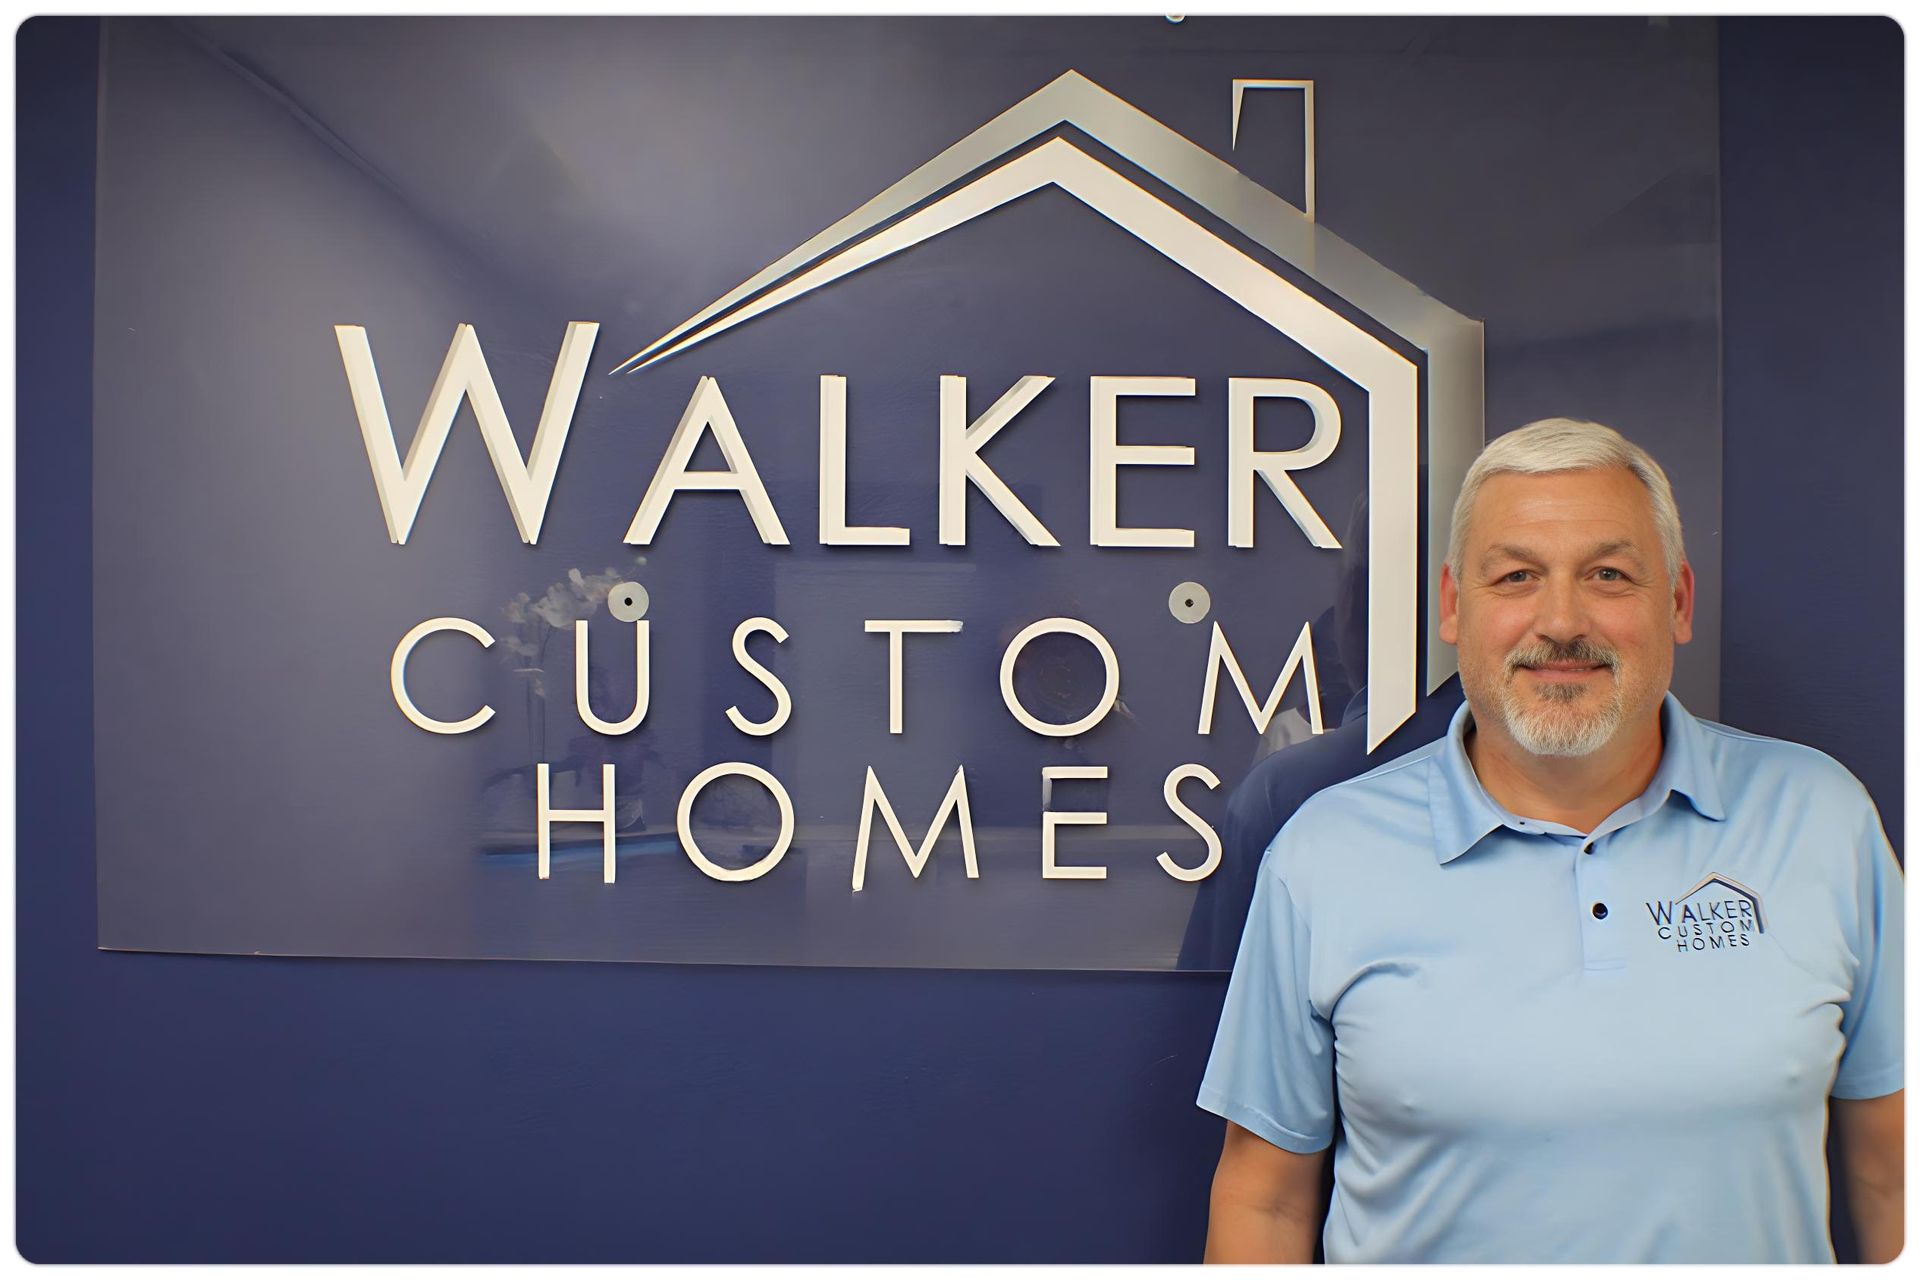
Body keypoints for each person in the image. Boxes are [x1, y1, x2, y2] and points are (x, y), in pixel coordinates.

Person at [1196, 418, 1903, 1264]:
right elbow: (1264, 1202)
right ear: (1455, 607)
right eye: (1517, 576)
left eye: (1608, 574)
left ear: (1676, 602)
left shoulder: (1822, 818)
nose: (1561, 619)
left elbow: (1895, 1174)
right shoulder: (1324, 854)